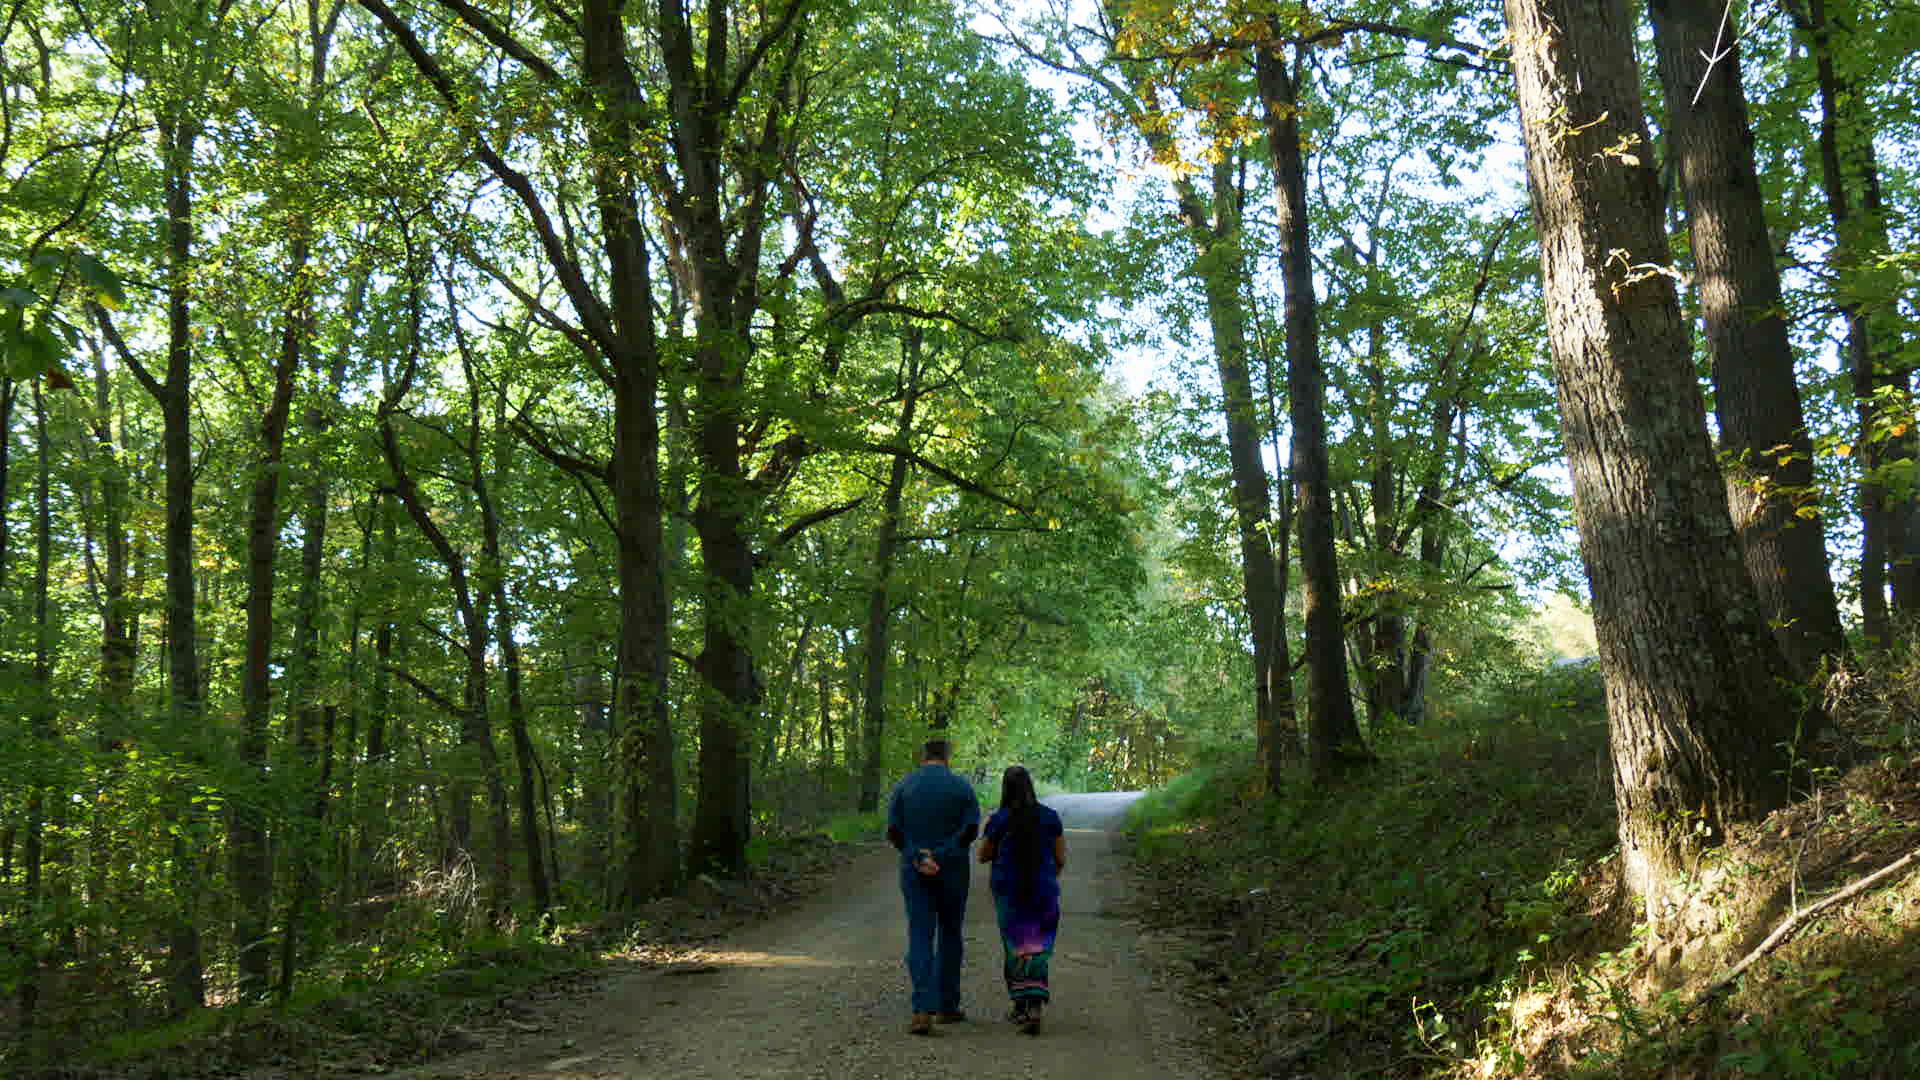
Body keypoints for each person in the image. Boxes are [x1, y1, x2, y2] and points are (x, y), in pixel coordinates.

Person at [885, 738, 981, 1035]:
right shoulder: (962, 787)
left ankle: (922, 1007)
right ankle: (948, 1005)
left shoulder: (904, 786)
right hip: (952, 870)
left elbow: (893, 830)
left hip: (915, 871)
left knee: (920, 934)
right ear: (948, 757)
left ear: (923, 755)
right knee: (950, 933)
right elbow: (971, 829)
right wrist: (943, 854)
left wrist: (918, 856)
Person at [976, 764, 1066, 1035]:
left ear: (1005, 789)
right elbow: (1061, 857)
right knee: (1037, 947)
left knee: (1016, 948)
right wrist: (1050, 876)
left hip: (1009, 893)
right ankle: (1033, 1004)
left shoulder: (1000, 820)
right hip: (1043, 892)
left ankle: (1021, 1004)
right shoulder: (1050, 817)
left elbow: (982, 855)